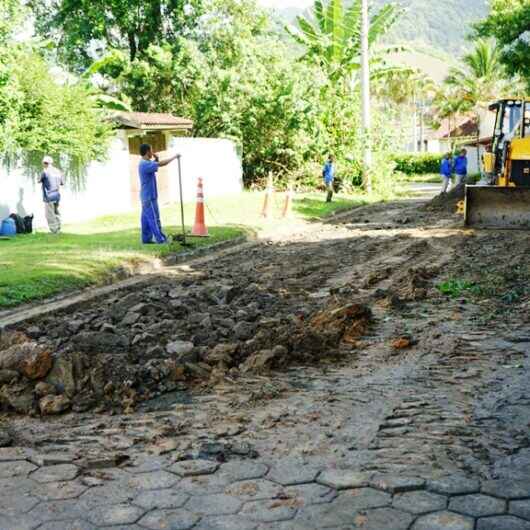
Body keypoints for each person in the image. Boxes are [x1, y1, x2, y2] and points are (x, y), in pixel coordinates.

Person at [139, 143, 179, 244]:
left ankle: (146, 239)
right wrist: (174, 157)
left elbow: (154, 167)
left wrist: (156, 158)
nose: (152, 152)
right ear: (147, 151)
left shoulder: (145, 163)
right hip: (149, 197)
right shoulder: (144, 164)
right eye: (151, 150)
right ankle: (161, 239)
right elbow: (161, 164)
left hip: (146, 197)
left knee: (146, 220)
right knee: (154, 218)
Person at [38, 156, 64, 234]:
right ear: (51, 163)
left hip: (48, 196)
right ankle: (58, 227)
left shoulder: (45, 171)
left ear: (45, 163)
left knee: (49, 214)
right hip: (57, 195)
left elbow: (39, 180)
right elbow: (62, 183)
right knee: (56, 212)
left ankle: (54, 230)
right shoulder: (58, 171)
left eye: (44, 163)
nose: (43, 164)